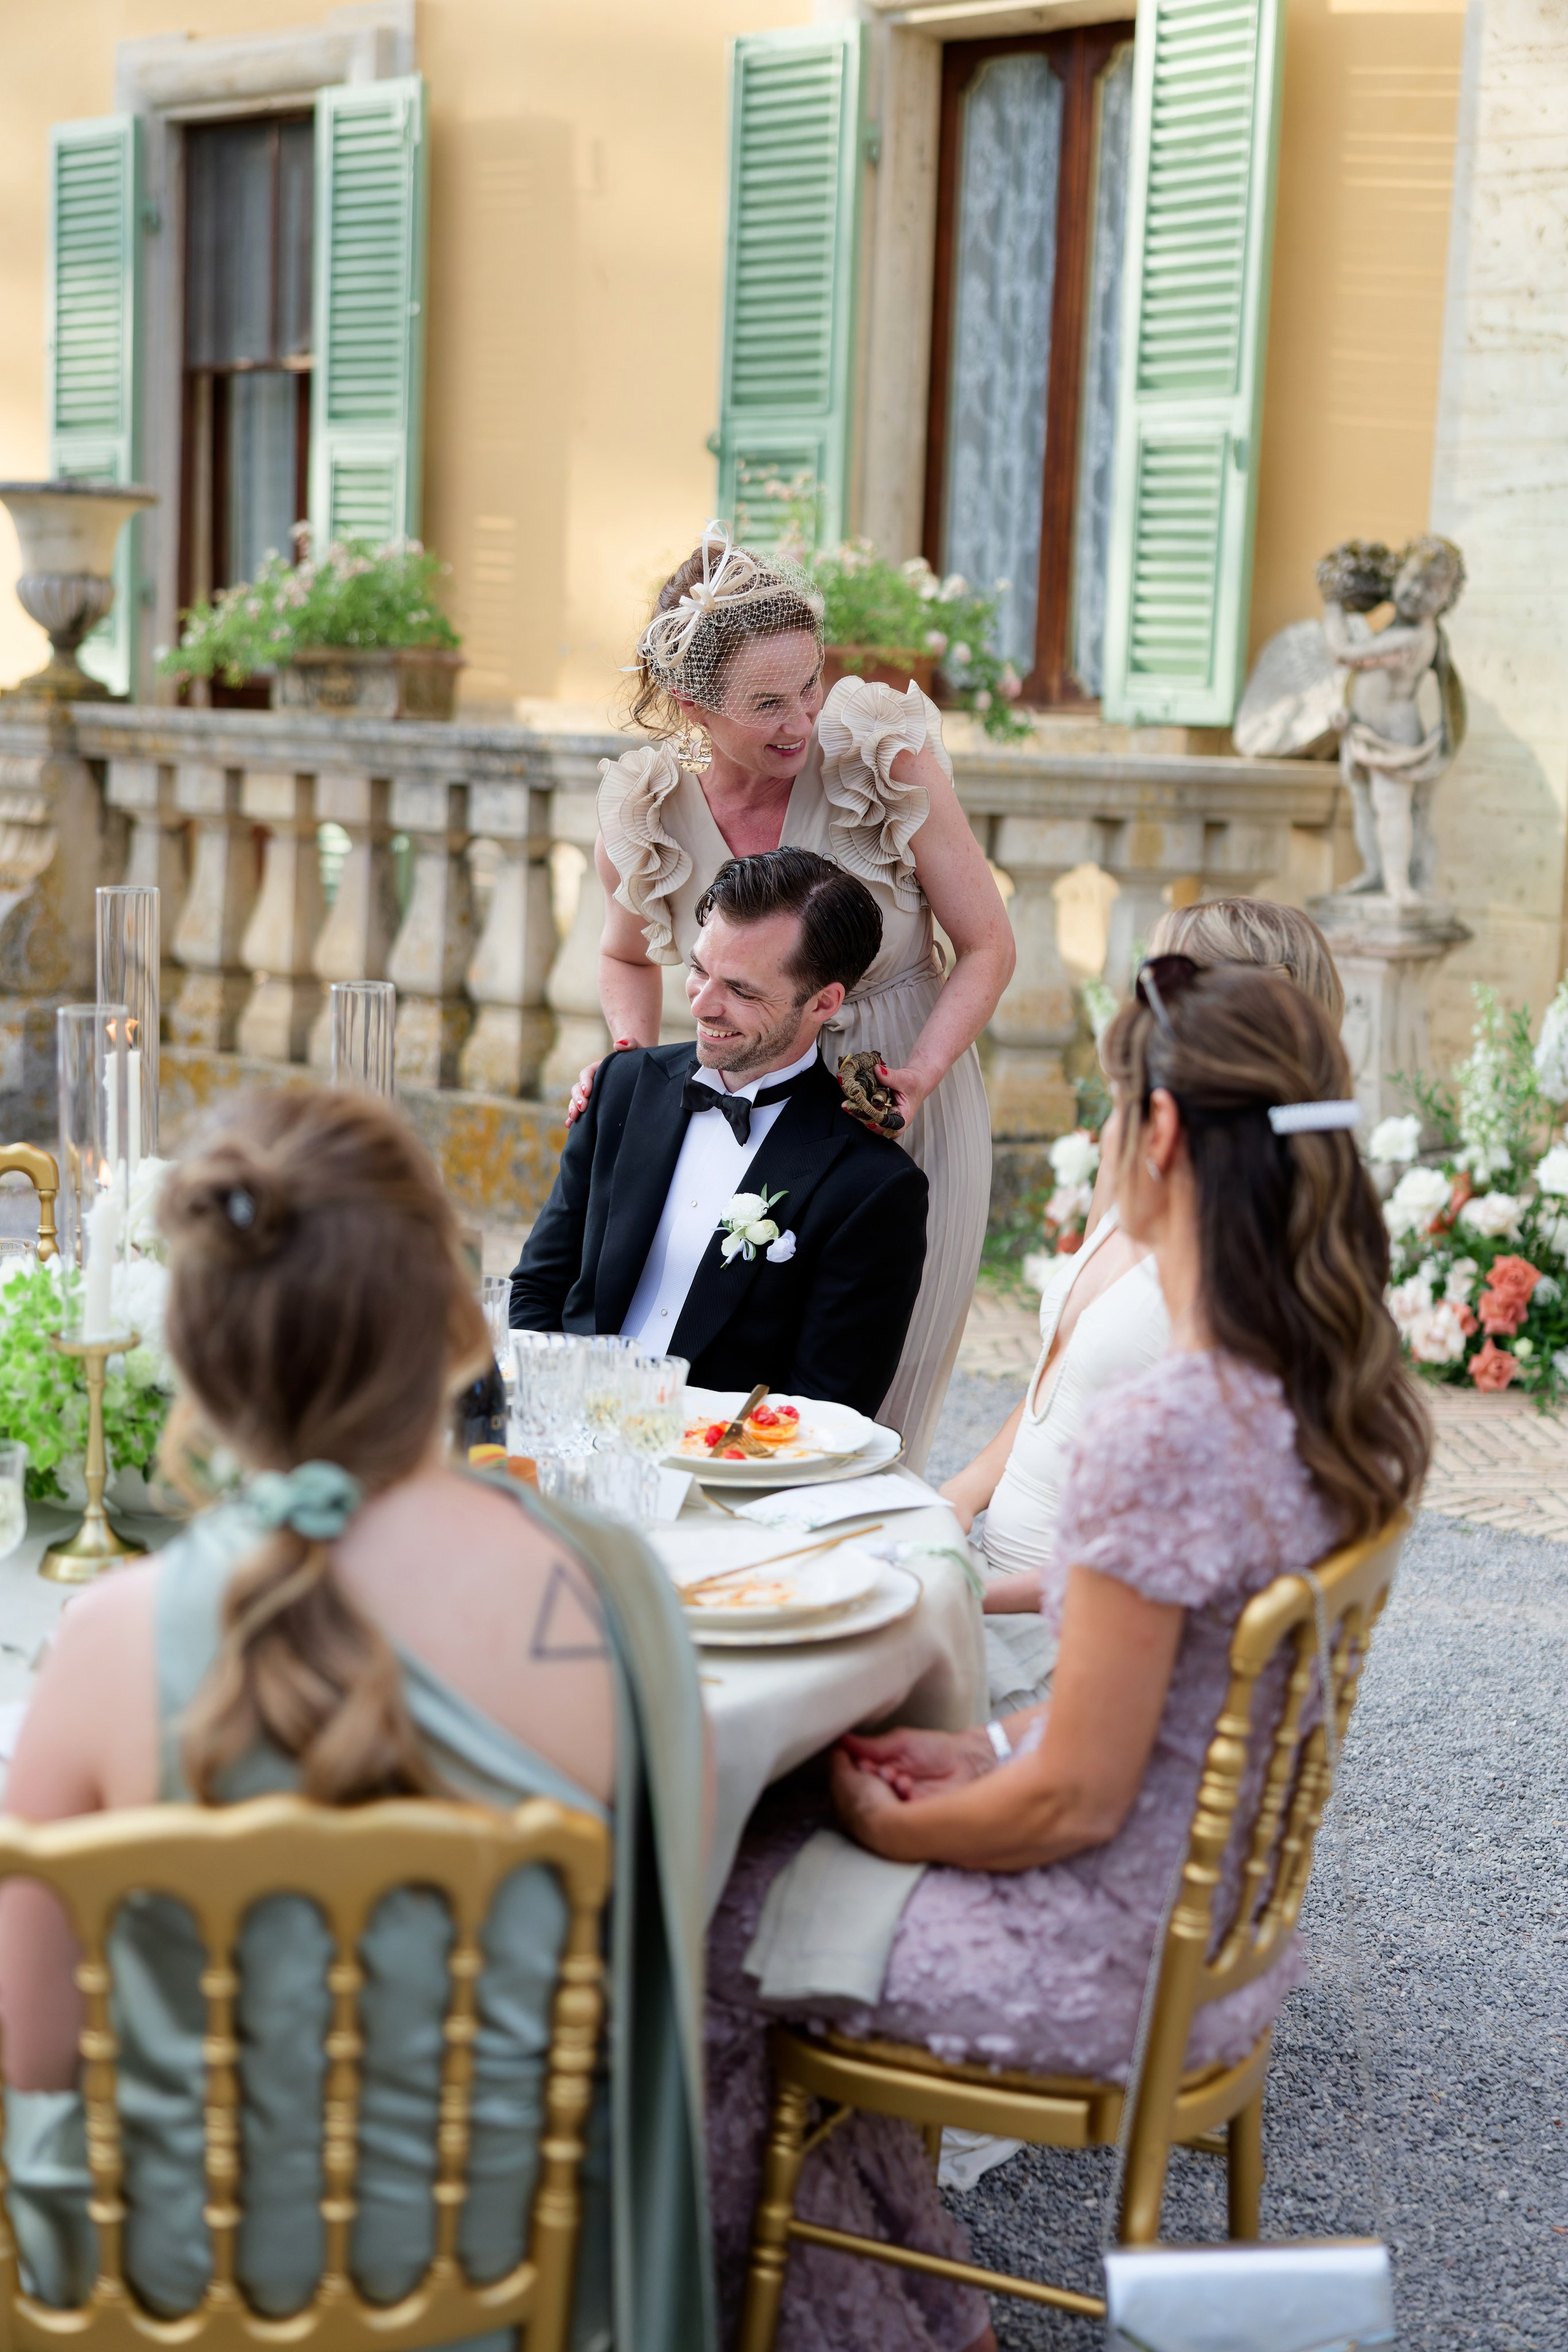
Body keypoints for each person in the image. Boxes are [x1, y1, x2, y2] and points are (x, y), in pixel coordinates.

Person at [705, 957, 1428, 2352]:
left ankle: (838, 2319)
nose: (1104, 1144)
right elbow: (1166, 1719)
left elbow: (1072, 1803)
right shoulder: (1343, 1397)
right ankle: (929, 2316)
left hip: (1100, 1939)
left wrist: (881, 1811)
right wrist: (974, 1744)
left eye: (1108, 1114)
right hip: (1205, 1930)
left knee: (709, 1909)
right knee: (783, 1849)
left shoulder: (1160, 1423)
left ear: (1155, 1136)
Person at [0, 1091, 714, 2352]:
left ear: (202, 1358)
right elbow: (645, 1975)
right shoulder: (616, 1597)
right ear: (453, 1321)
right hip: (496, 2292)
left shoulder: (114, 1640)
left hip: (168, 2301)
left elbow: (35, 2050)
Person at [579, 524, 1014, 1470]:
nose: (800, 720)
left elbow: (987, 945)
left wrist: (922, 1077)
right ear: (693, 705)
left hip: (897, 1100)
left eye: (810, 686)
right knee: (729, 1391)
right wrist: (630, 1069)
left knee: (871, 1417)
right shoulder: (644, 813)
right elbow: (623, 960)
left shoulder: (884, 763)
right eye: (766, 702)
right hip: (734, 1107)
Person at [943, 897, 1346, 1713]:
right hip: (1012, 1588)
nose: (1133, 1011)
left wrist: (962, 1596)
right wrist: (956, 1498)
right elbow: (1057, 1386)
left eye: (1156, 983)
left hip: (1084, 1649)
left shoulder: (1250, 1251)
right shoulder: (1140, 1153)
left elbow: (1187, 1567)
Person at [511, 848, 929, 1419]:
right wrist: (553, 1411)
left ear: (824, 1003)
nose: (703, 1004)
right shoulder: (621, 1087)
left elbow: (825, 1410)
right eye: (699, 969)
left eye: (742, 990)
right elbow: (538, 1287)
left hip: (714, 1476)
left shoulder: (872, 1186)